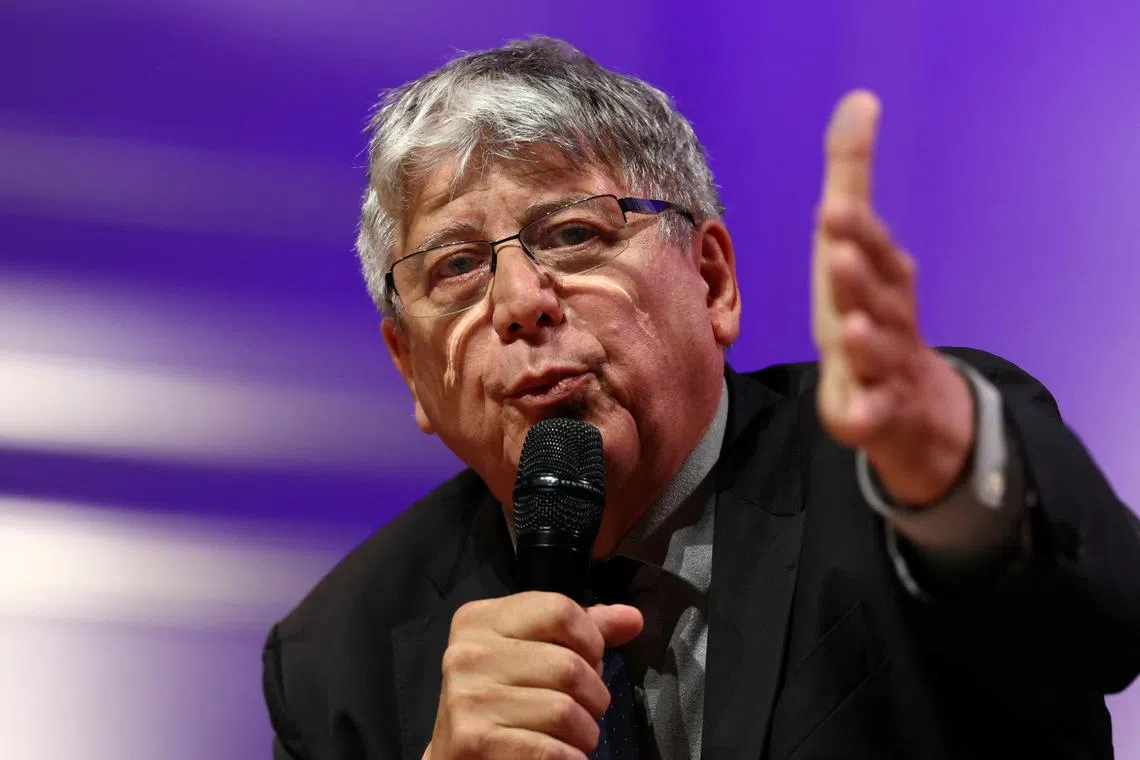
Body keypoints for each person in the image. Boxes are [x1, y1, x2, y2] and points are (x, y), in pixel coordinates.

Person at [261, 36, 1140, 760]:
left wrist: (955, 478)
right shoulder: (339, 659)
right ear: (410, 369)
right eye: (455, 265)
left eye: (573, 234)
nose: (520, 299)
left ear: (712, 280)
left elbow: (1102, 627)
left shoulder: (895, 477)